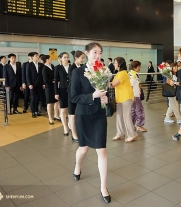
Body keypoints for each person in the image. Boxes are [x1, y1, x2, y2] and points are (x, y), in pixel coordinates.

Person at [71, 42, 111, 203]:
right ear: (87, 53)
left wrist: (105, 98)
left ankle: (103, 186)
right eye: (95, 52)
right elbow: (74, 97)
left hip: (99, 114)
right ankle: (77, 166)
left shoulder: (103, 70)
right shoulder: (77, 72)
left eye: (100, 52)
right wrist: (92, 96)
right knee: (84, 148)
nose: (98, 55)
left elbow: (107, 90)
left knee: (101, 151)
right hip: (84, 115)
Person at [111, 57, 138, 142]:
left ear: (119, 64)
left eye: (115, 63)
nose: (113, 64)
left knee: (126, 116)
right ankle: (120, 133)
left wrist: (102, 81)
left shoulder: (122, 73)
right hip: (120, 98)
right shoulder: (119, 73)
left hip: (126, 97)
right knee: (119, 115)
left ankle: (132, 134)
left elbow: (113, 84)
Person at [68, 50, 85, 143]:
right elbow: (73, 82)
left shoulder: (83, 67)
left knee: (78, 114)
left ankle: (79, 132)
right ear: (76, 58)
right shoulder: (72, 68)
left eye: (83, 58)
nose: (83, 60)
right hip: (73, 93)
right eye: (81, 58)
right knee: (72, 115)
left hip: (81, 94)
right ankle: (74, 135)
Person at [54, 52, 70, 136]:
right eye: (64, 57)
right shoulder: (58, 68)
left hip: (71, 90)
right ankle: (65, 127)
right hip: (62, 90)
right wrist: (56, 92)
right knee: (63, 109)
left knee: (71, 109)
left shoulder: (71, 67)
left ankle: (71, 125)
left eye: (67, 57)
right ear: (60, 58)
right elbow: (56, 81)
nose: (66, 59)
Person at [129, 60, 147, 132]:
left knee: (133, 111)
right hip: (135, 95)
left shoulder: (131, 73)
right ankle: (140, 125)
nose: (140, 68)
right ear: (135, 67)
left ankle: (132, 125)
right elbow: (130, 86)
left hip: (134, 95)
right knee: (139, 110)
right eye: (139, 66)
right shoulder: (134, 75)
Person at [42, 55, 59, 125]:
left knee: (56, 101)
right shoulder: (44, 68)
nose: (51, 60)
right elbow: (45, 80)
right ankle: (50, 118)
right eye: (50, 59)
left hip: (54, 87)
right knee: (49, 103)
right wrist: (53, 81)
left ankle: (56, 115)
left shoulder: (52, 66)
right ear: (47, 60)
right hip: (49, 88)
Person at [26, 52, 45, 118]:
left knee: (38, 98)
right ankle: (33, 111)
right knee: (33, 98)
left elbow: (42, 75)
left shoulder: (41, 65)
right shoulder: (29, 65)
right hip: (32, 84)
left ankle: (37, 110)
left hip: (39, 84)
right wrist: (29, 84)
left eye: (38, 56)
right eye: (36, 56)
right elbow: (28, 76)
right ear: (32, 57)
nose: (37, 57)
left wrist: (43, 83)